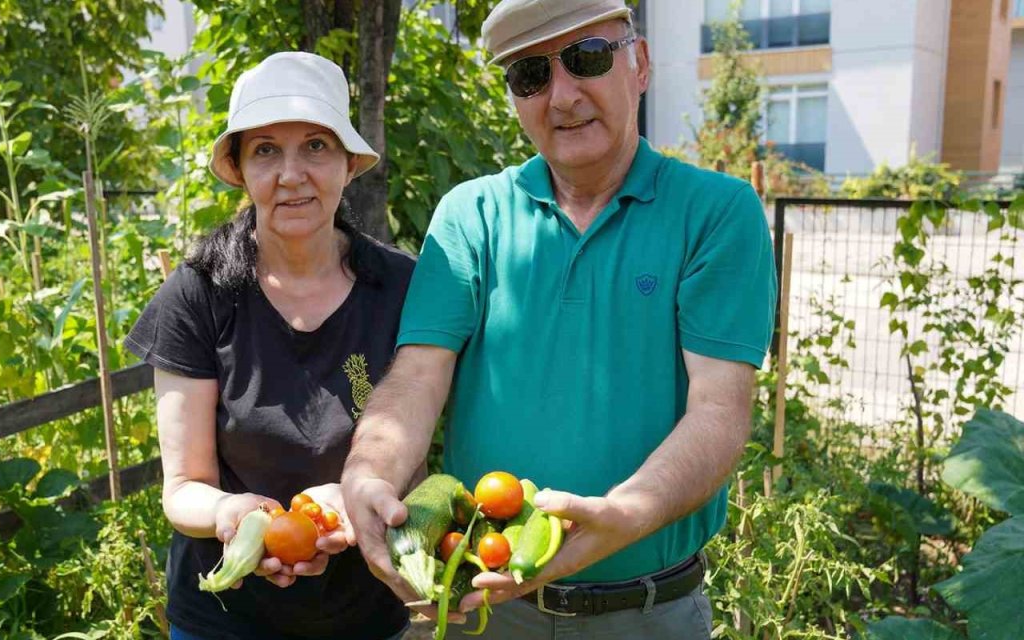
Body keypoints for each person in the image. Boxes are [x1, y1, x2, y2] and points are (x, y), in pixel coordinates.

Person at [340, 0, 776, 637]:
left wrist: (624, 513)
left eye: (587, 59)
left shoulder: (716, 213)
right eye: (531, 75)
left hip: (646, 616)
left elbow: (720, 411)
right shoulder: (471, 215)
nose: (563, 95)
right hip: (482, 602)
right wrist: (368, 472)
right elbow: (418, 376)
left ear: (641, 64)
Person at [123, 51, 415, 640]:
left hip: (365, 614)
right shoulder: (198, 294)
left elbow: (418, 457)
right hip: (223, 619)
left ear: (347, 163)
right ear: (240, 168)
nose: (291, 173)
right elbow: (183, 488)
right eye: (265, 150)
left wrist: (354, 492)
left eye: (315, 145)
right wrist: (231, 513)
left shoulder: (402, 288)